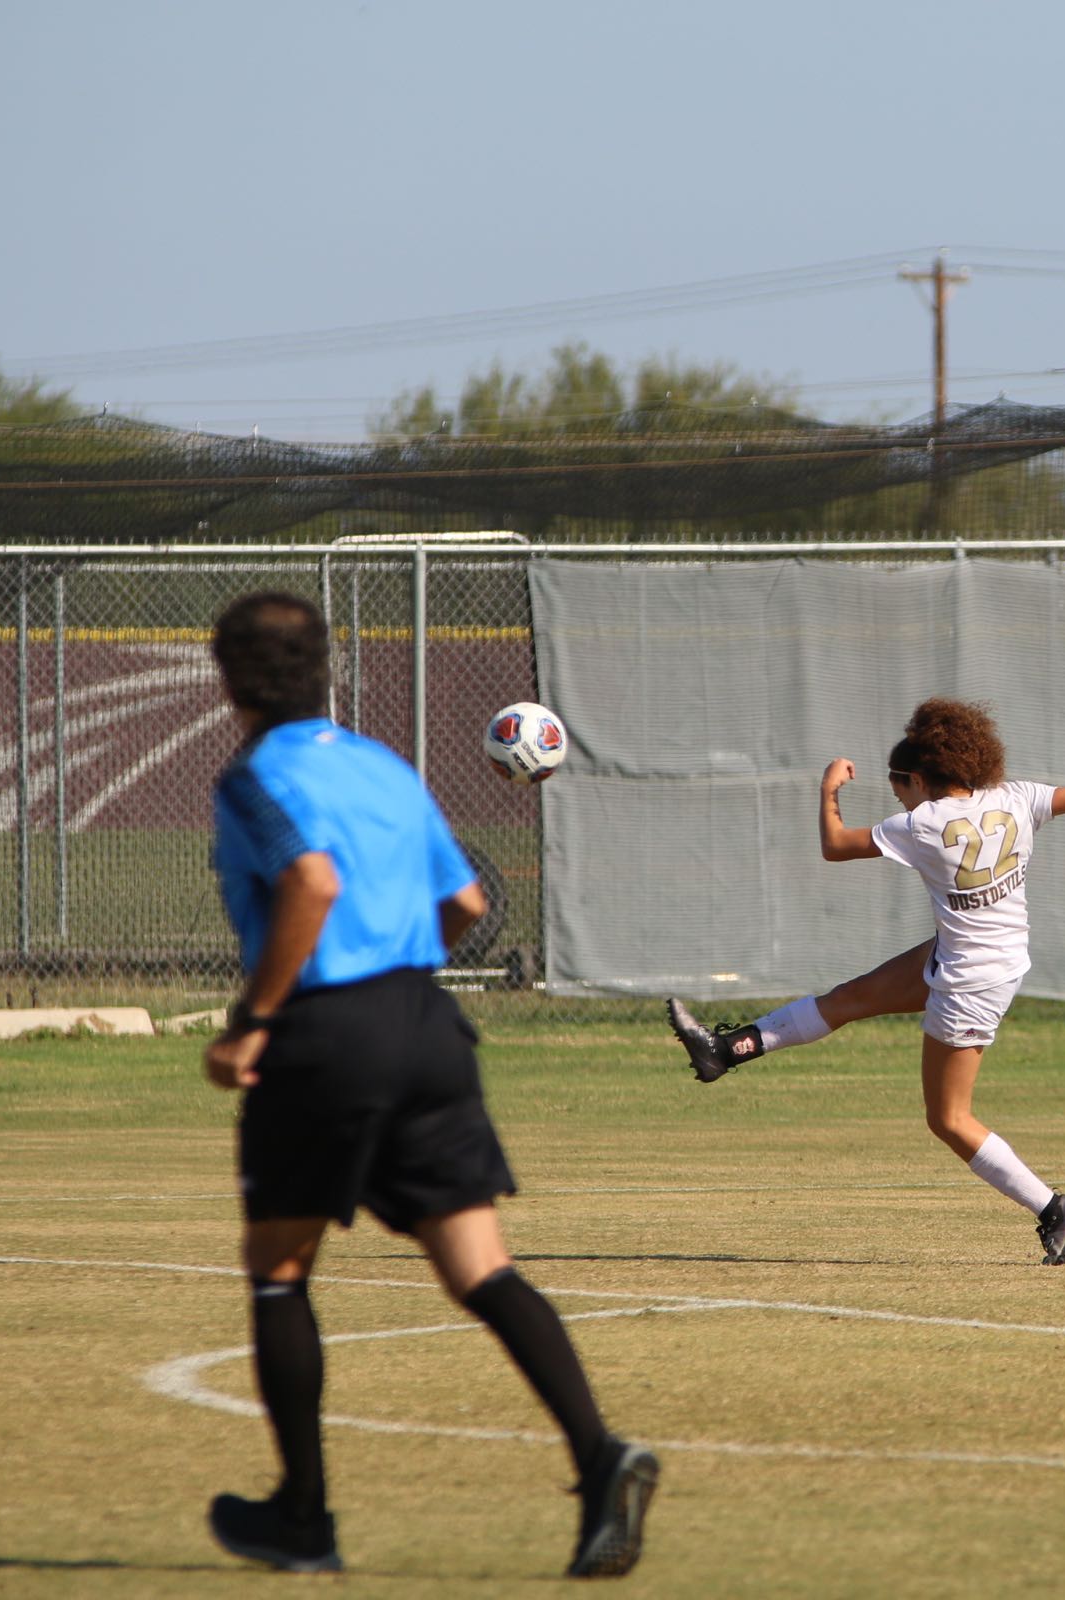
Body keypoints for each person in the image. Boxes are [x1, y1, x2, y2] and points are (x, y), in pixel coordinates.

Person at [200, 592, 656, 1576]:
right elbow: (466, 902)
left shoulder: (250, 779)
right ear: (325, 669)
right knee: (479, 1267)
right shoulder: (384, 766)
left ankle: (304, 1520)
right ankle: (599, 1453)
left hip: (326, 1033)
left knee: (279, 1268)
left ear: (229, 679)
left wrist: (255, 1023)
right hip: (427, 1024)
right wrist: (400, 986)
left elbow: (311, 883)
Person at [665, 697, 1065, 1265]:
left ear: (919, 779)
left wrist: (828, 791)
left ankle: (1052, 1207)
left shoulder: (923, 824)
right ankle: (725, 1050)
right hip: (981, 954)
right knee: (848, 1000)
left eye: (900, 790)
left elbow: (834, 845)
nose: (901, 800)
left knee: (948, 1119)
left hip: (970, 979)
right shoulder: (1017, 798)